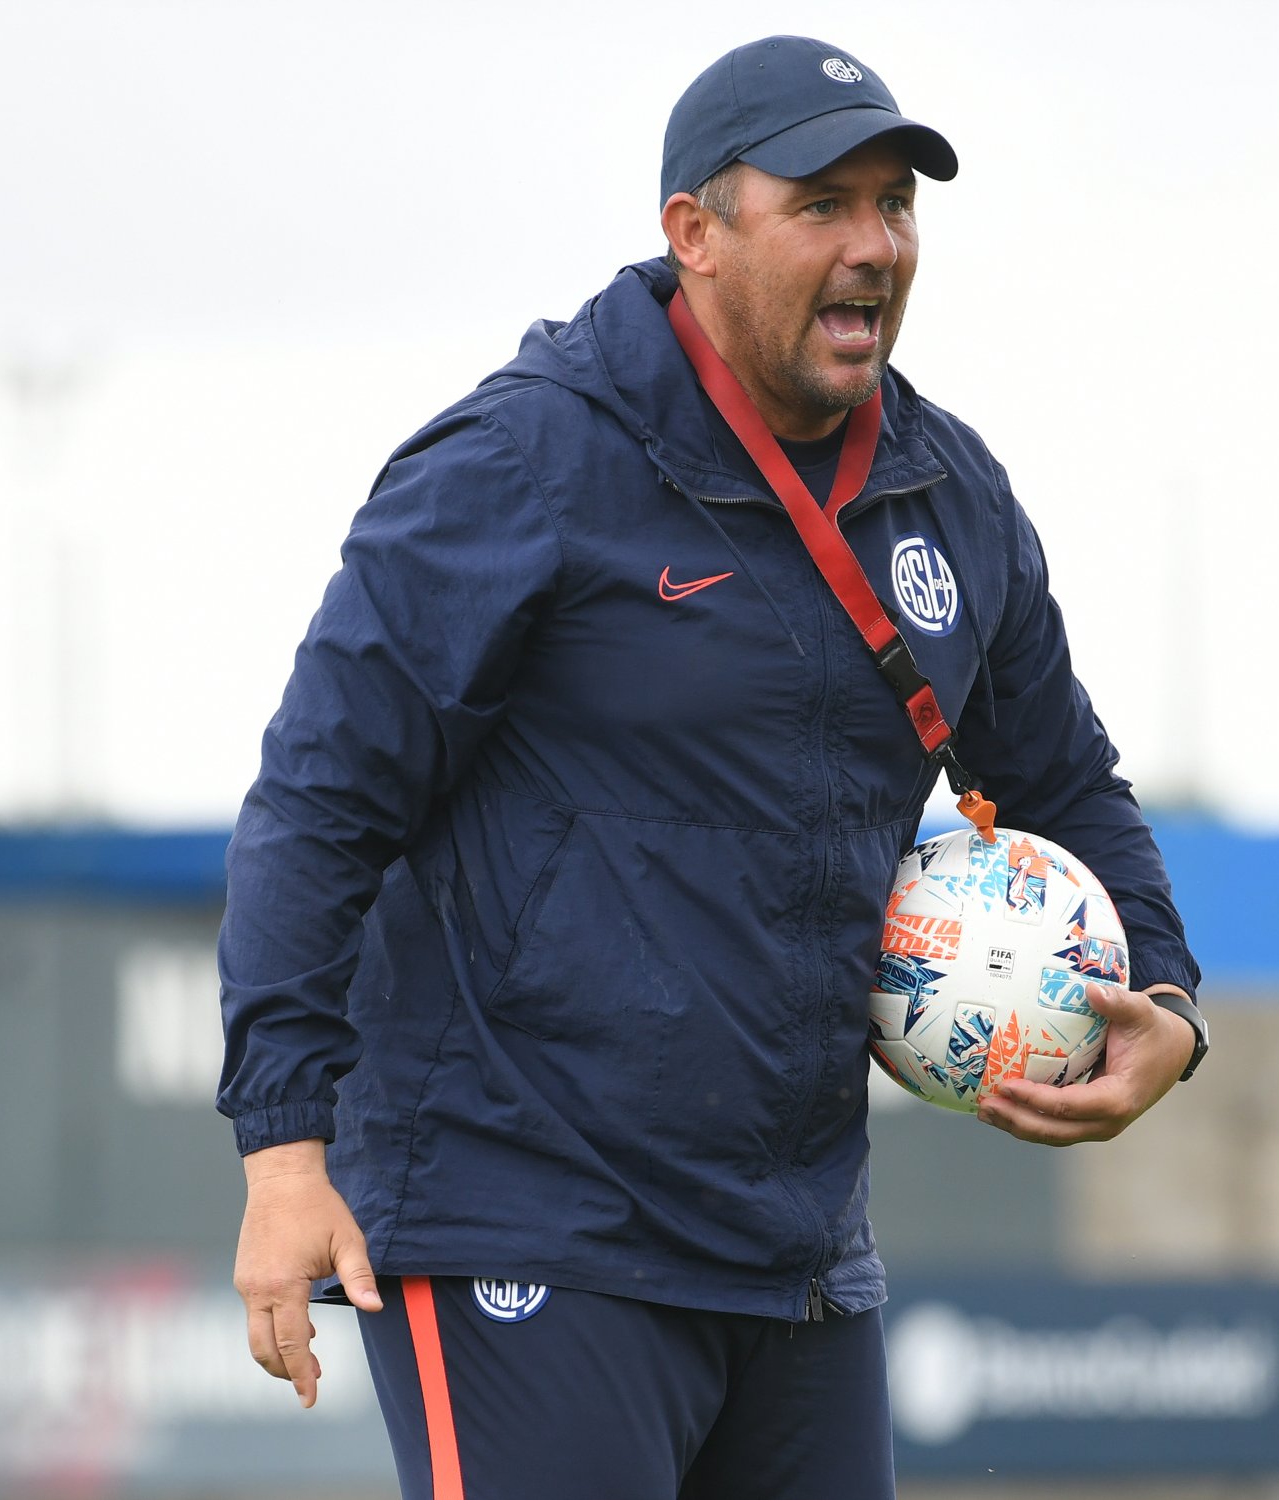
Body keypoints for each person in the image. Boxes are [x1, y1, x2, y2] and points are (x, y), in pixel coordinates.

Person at [217, 35, 1208, 1500]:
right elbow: (319, 803)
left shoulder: (947, 489)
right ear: (695, 232)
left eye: (895, 205)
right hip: (522, 1213)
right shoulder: (522, 460)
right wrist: (283, 1153)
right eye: (824, 203)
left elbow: (1061, 780)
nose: (875, 245)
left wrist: (1169, 1004)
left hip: (796, 1250)